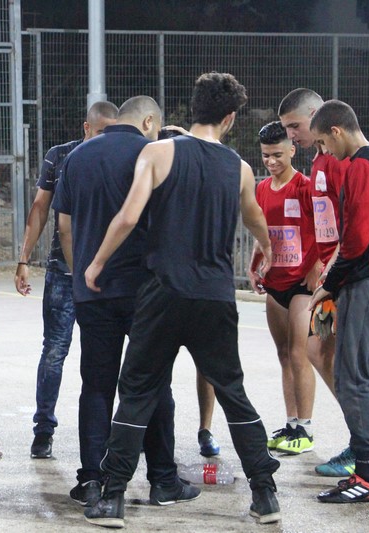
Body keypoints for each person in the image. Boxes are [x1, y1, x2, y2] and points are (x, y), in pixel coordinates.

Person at [83, 72, 281, 527]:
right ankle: (265, 495)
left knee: (137, 392)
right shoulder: (240, 168)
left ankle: (112, 499)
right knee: (233, 392)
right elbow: (256, 221)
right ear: (230, 117)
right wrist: (265, 252)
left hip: (163, 294)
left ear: (190, 109)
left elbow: (127, 217)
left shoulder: (158, 152)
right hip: (214, 296)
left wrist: (96, 264)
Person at [54, 95, 200, 508]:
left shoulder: (77, 157)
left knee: (96, 387)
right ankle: (163, 480)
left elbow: (63, 225)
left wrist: (81, 271)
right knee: (152, 384)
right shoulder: (153, 154)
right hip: (146, 293)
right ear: (149, 120)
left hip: (92, 291)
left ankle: (92, 480)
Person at [309, 99, 369, 503]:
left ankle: (367, 476)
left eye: (324, 144)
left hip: (367, 283)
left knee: (351, 376)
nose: (325, 153)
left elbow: (357, 240)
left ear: (337, 131)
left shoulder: (363, 166)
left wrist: (330, 283)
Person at [14, 101, 117, 459]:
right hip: (64, 274)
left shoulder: (122, 158)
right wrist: (24, 259)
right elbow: (41, 208)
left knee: (103, 355)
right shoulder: (61, 157)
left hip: (106, 276)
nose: (108, 138)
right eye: (102, 131)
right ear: (86, 128)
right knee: (55, 350)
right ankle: (43, 428)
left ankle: (109, 434)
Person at [278, 88, 354, 475]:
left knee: (332, 356)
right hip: (329, 277)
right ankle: (361, 437)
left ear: (316, 115)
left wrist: (334, 267)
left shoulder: (340, 161)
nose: (291, 135)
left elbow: (350, 224)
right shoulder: (321, 163)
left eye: (295, 125)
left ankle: (364, 441)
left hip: (344, 279)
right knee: (318, 352)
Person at [248, 121, 321, 456]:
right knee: (282, 355)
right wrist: (255, 260)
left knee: (299, 353)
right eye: (266, 155)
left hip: (303, 284)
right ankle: (291, 422)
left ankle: (305, 428)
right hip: (275, 283)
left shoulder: (305, 188)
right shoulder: (262, 188)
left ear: (293, 149)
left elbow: (325, 230)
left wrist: (318, 267)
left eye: (278, 154)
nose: (272, 161)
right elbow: (263, 229)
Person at [158, 127, 220, 458]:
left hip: (200, 289)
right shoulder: (154, 187)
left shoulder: (203, 183)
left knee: (207, 365)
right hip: (164, 290)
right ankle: (152, 432)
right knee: (156, 366)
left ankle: (205, 430)